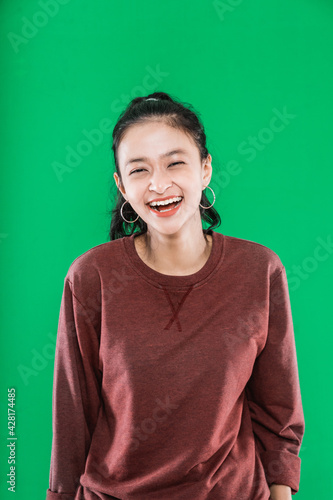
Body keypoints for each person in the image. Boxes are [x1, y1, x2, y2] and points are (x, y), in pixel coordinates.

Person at [46, 92, 305, 500]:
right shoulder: (91, 277)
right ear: (121, 185)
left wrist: (281, 491)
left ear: (205, 169)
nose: (158, 184)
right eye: (139, 170)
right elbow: (73, 417)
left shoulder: (259, 271)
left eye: (175, 162)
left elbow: (278, 411)